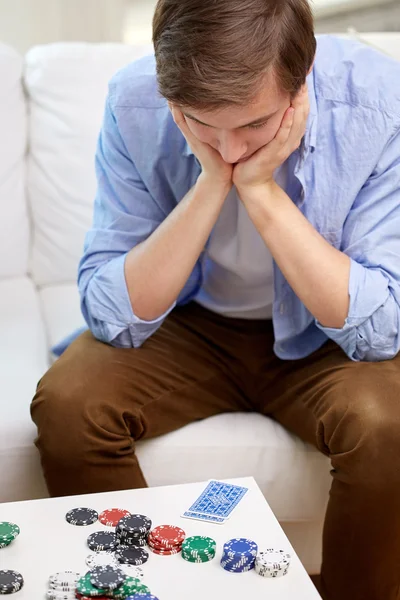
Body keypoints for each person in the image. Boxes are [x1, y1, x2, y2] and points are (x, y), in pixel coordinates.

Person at [30, 0, 400, 598]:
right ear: (171, 96)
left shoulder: (380, 103)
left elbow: (380, 329)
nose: (230, 149)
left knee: (390, 425)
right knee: (70, 406)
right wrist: (210, 185)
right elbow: (110, 315)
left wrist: (262, 192)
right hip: (188, 326)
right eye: (202, 124)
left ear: (299, 84)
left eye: (255, 125)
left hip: (323, 336)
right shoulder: (135, 102)